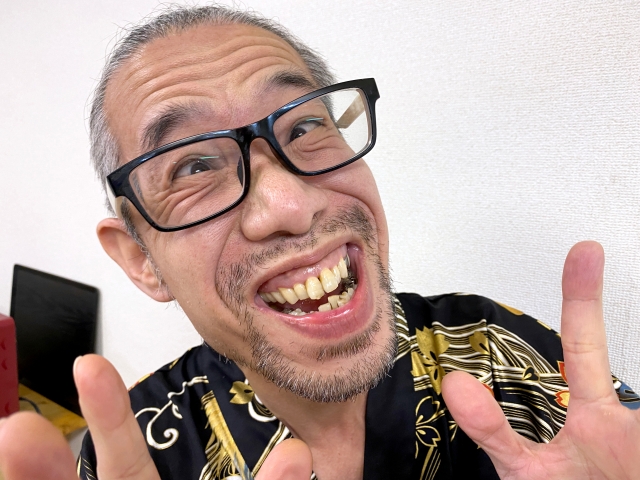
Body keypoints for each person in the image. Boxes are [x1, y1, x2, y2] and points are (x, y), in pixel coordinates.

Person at [0, 4, 639, 480]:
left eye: (305, 126)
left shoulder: (497, 353)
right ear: (141, 259)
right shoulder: (139, 450)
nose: (290, 203)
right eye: (194, 166)